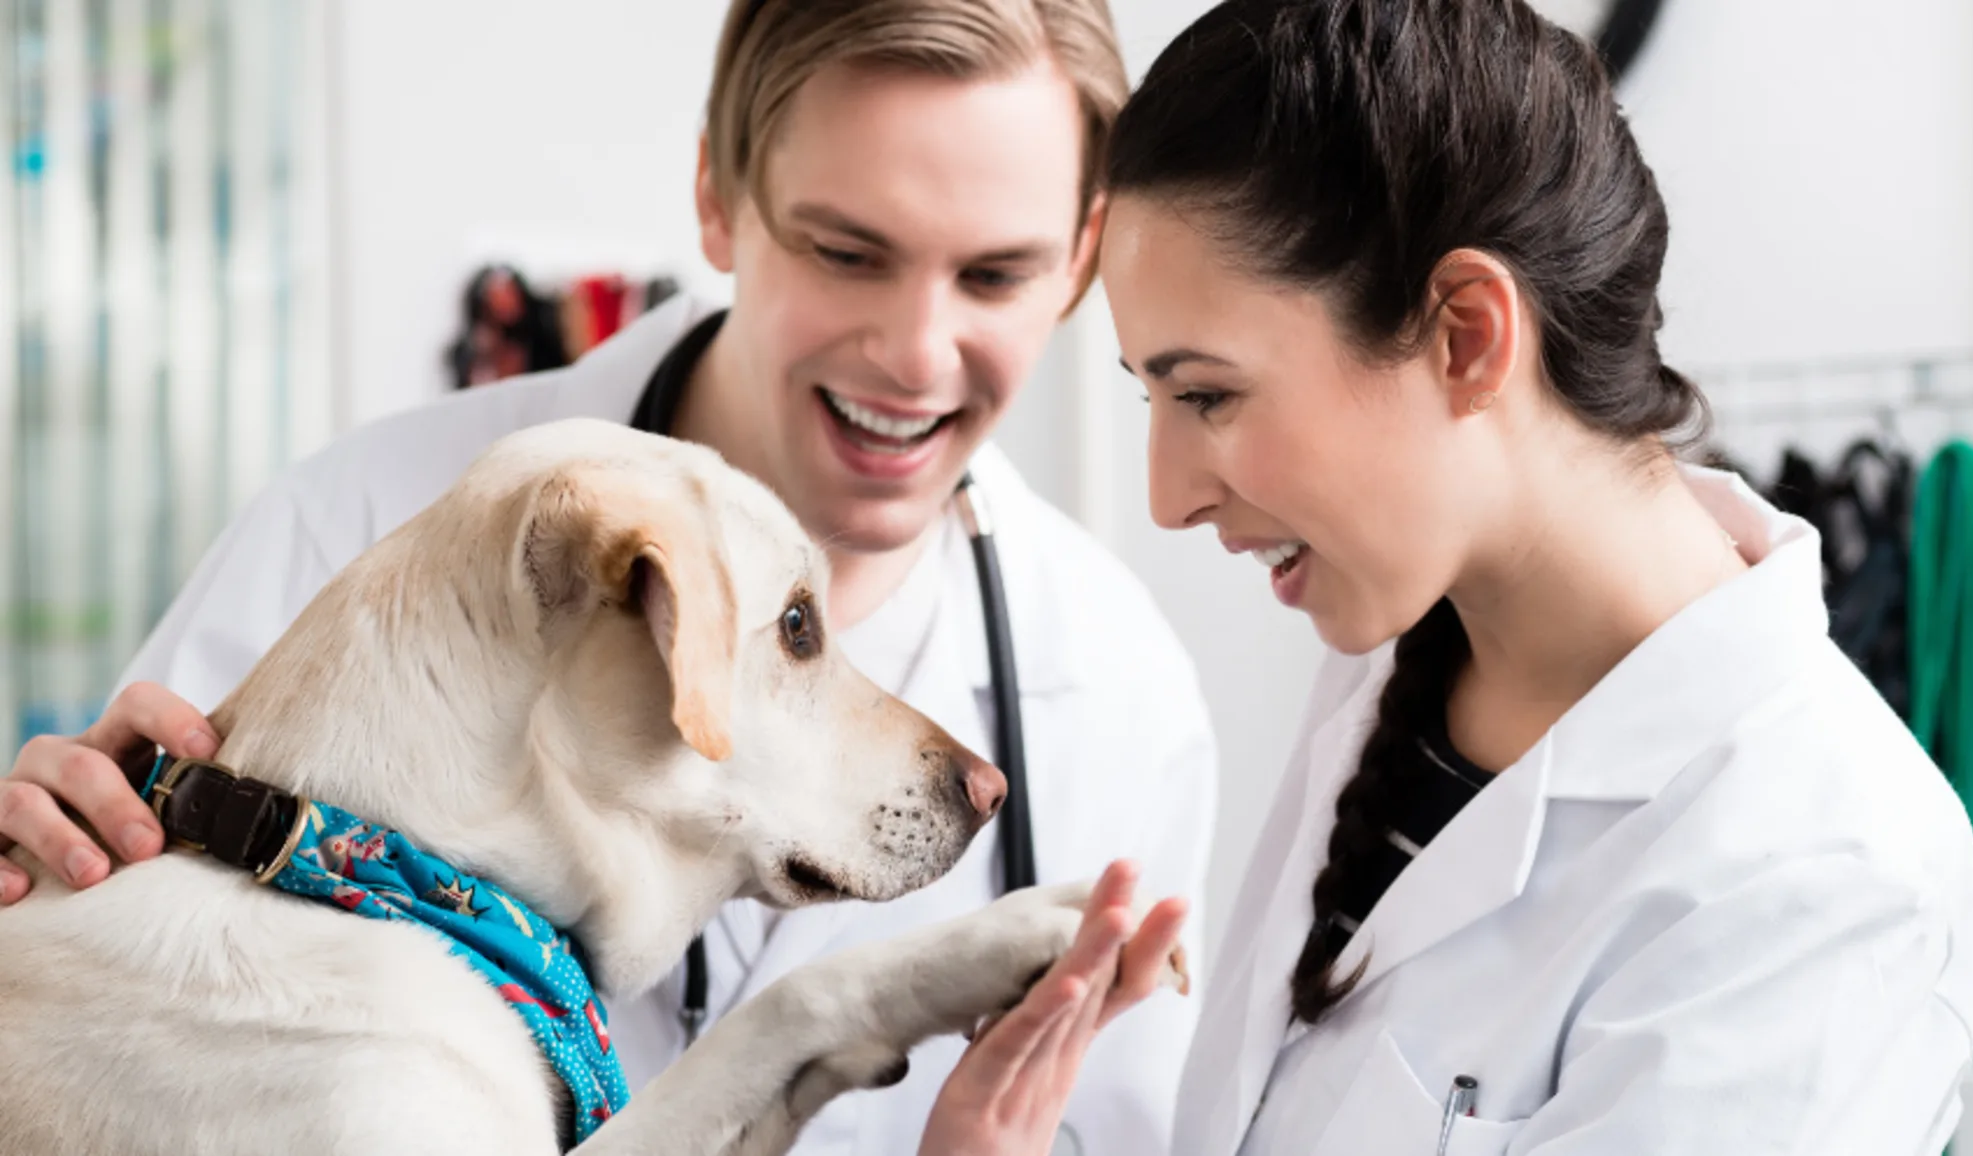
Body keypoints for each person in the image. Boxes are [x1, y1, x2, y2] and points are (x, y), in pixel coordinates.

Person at [0, 2, 1218, 1153]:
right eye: (848, 252)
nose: (913, 354)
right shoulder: (352, 526)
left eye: (995, 275)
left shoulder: (1121, 692)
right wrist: (50, 851)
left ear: (1080, 262)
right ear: (717, 197)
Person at [916, 0, 1973, 1152]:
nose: (1166, 497)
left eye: (1209, 395)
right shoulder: (1394, 666)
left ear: (1467, 336)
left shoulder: (1821, 873)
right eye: (1151, 397)